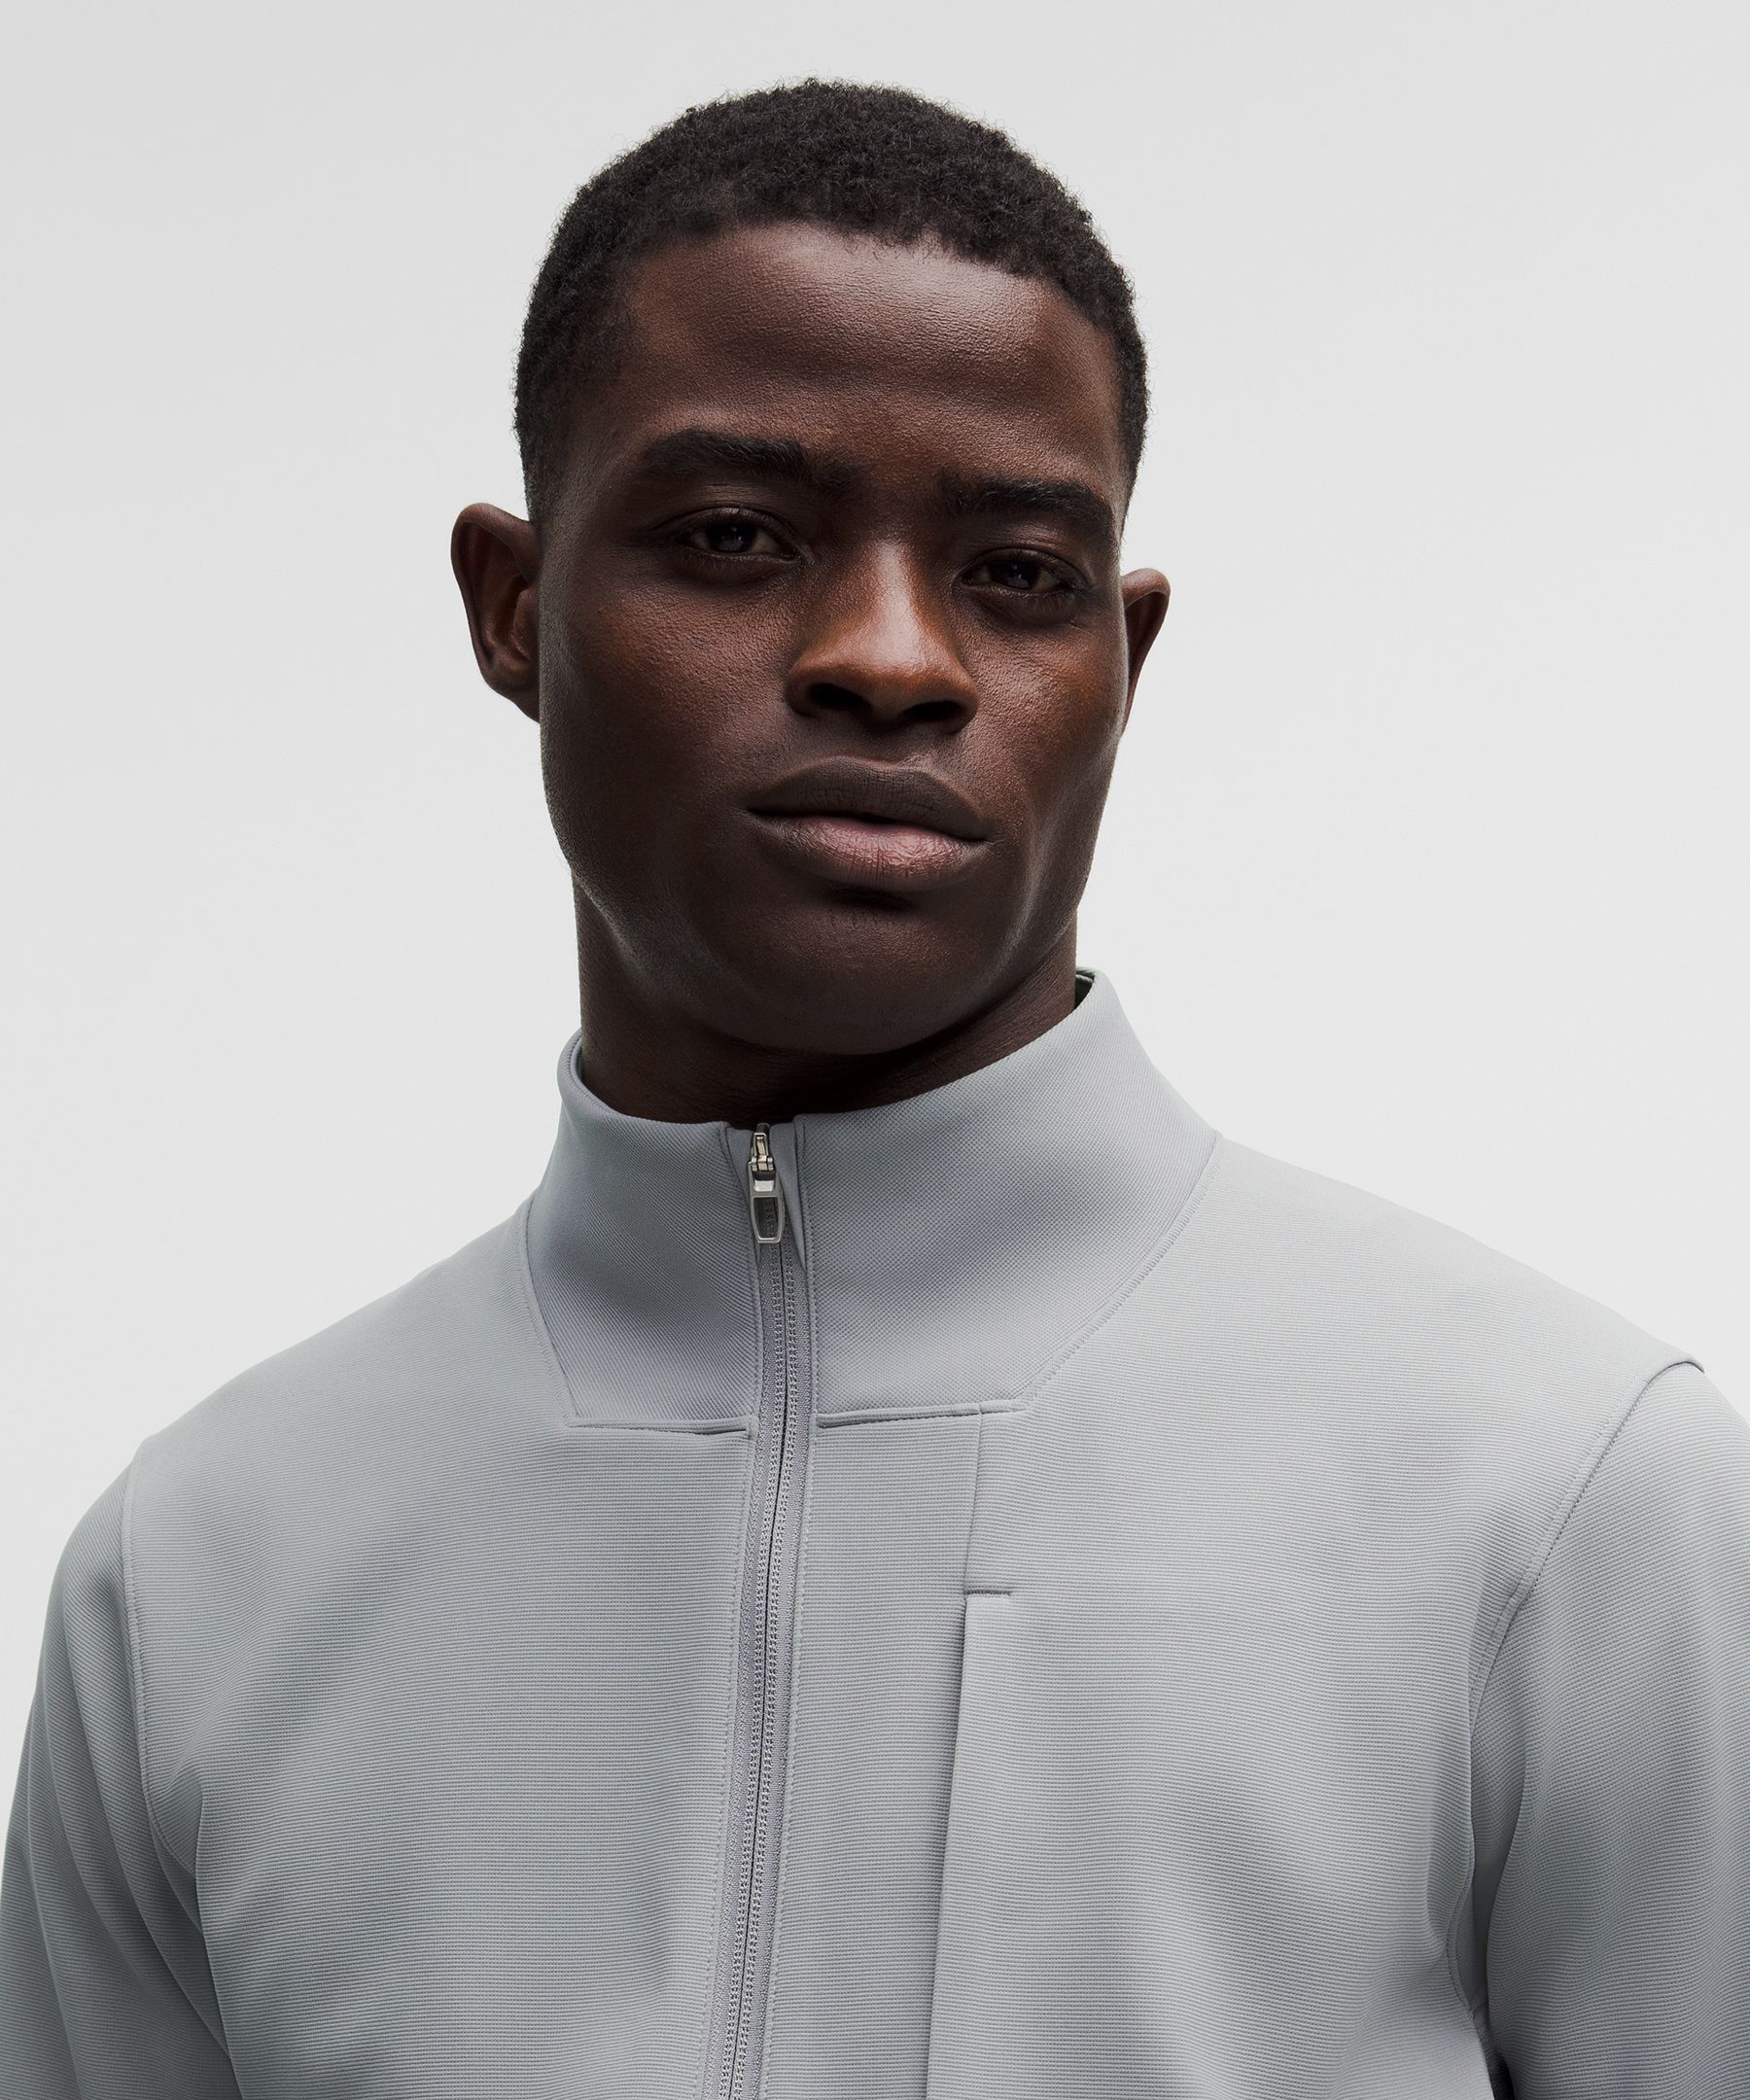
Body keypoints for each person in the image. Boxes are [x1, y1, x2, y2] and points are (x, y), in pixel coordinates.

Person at [3, 77, 1745, 2100]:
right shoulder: (202, 1573)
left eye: (1018, 573)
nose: (895, 657)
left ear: (1124, 657)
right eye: (735, 538)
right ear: (515, 607)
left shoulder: (1565, 1499)